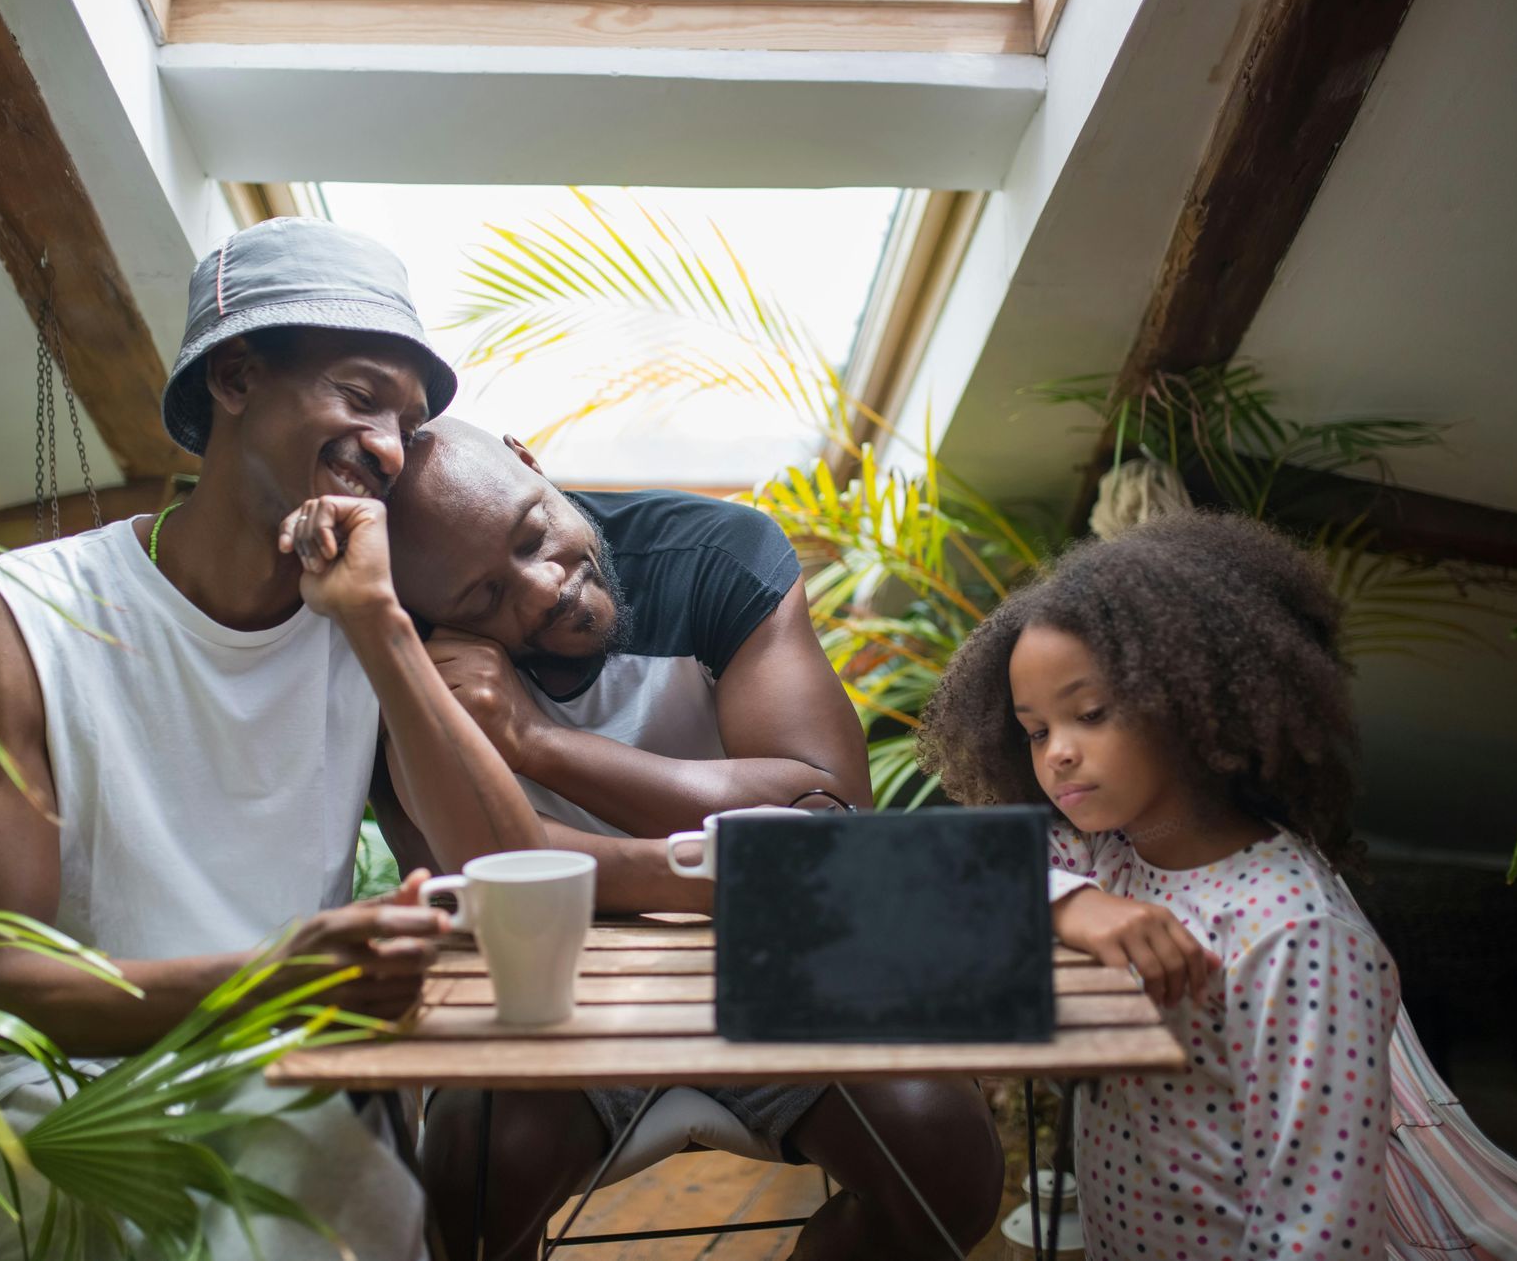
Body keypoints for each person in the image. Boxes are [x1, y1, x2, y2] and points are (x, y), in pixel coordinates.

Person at [0, 218, 542, 1258]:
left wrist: (379, 625)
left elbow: (511, 872)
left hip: (286, 1074)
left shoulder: (366, 610)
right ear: (236, 376)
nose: (391, 448)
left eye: (407, 420)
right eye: (361, 397)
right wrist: (274, 978)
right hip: (66, 1100)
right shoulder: (24, 611)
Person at [350, 418, 1002, 1261]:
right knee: (466, 1195)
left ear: (528, 458)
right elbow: (471, 874)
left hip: (778, 955)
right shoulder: (396, 655)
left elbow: (828, 822)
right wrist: (698, 877)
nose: (543, 586)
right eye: (483, 599)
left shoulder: (714, 554)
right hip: (554, 978)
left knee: (949, 1172)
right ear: (425, 615)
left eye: (534, 533)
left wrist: (532, 741)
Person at [920, 512, 1398, 1259]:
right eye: (1036, 731)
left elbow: (1318, 1226)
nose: (1059, 756)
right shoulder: (1107, 856)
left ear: (1190, 694)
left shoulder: (1298, 938)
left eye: (1090, 714)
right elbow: (950, 871)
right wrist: (1070, 903)